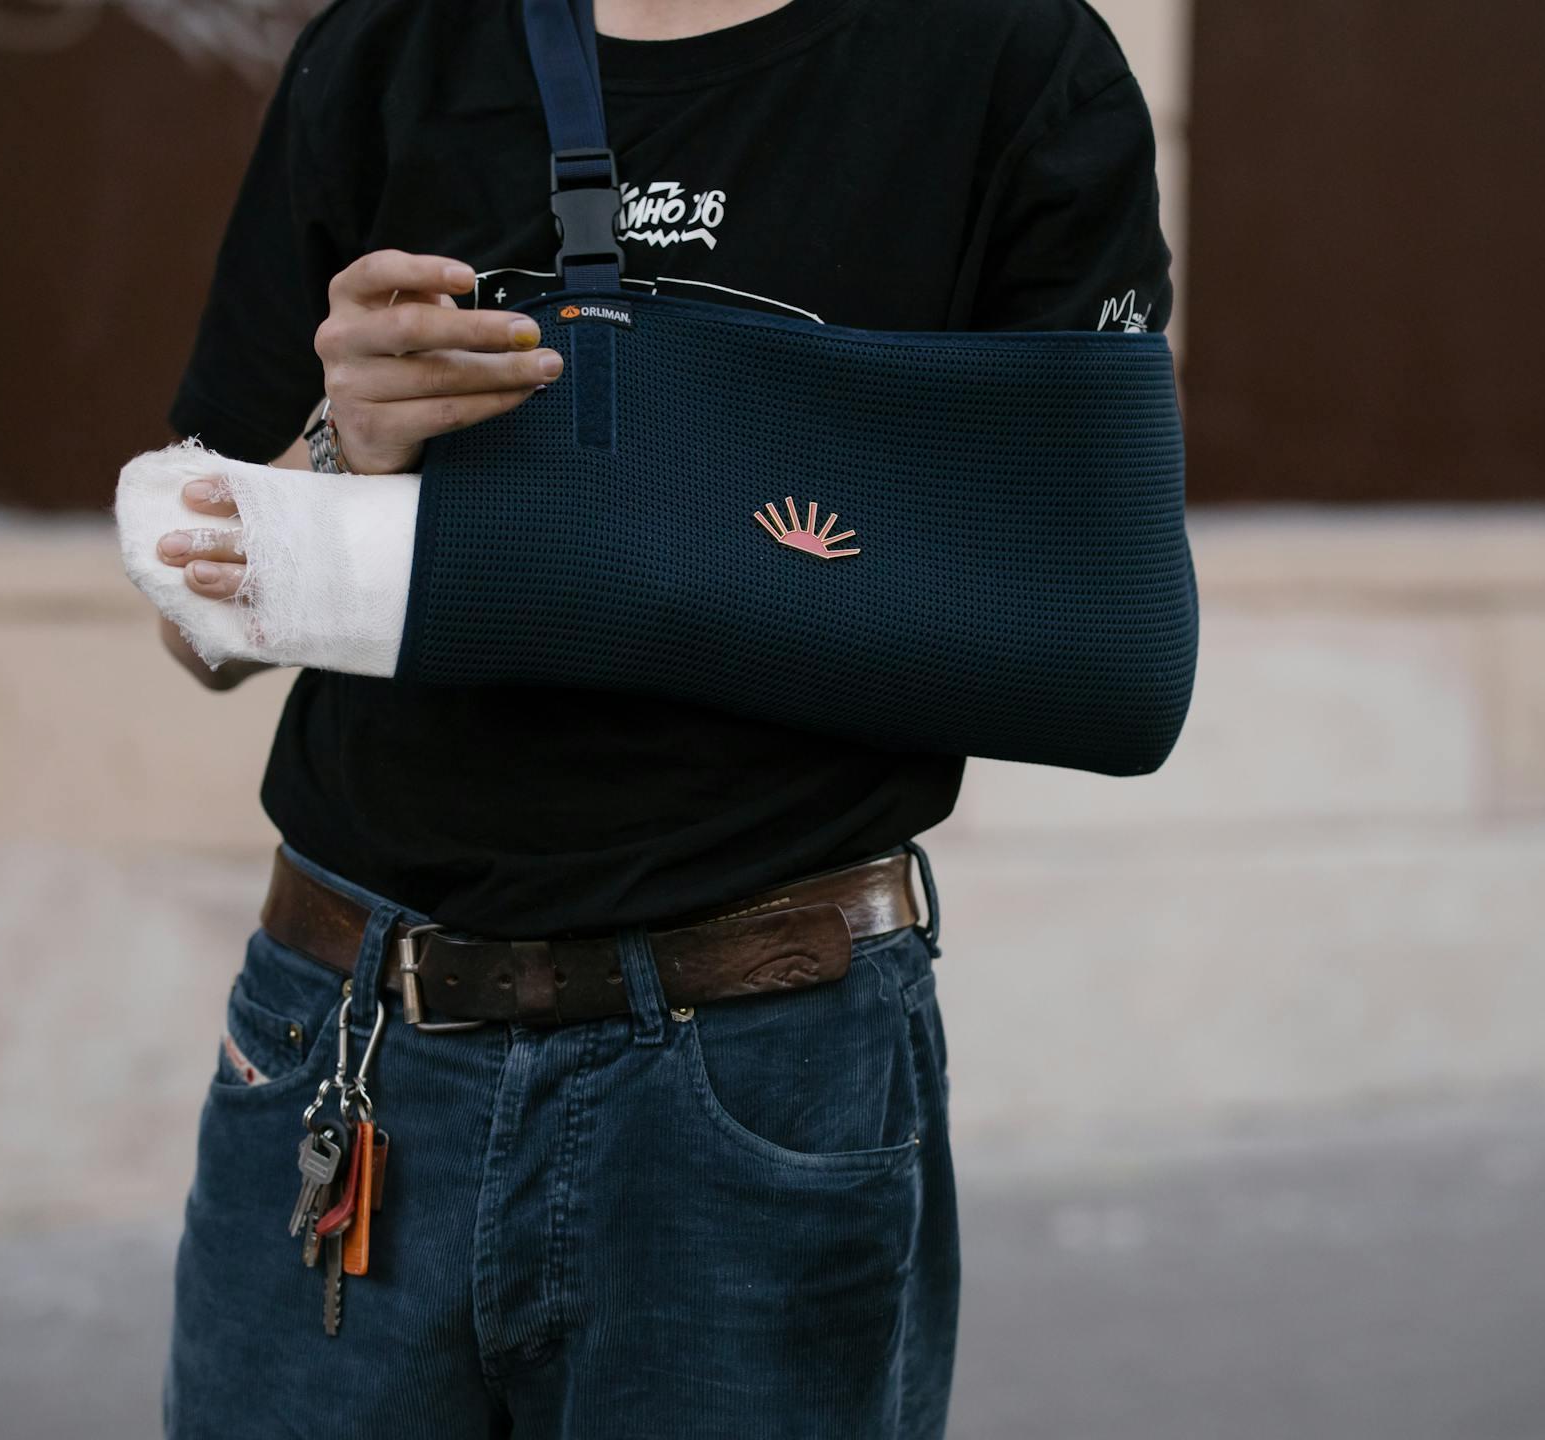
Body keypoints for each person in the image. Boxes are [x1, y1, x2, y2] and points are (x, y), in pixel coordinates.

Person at [143, 1, 1172, 1436]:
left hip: (758, 1071)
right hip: (358, 1047)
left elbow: (1099, 632)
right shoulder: (391, 46)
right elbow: (197, 629)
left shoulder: (1007, 59)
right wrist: (341, 446)